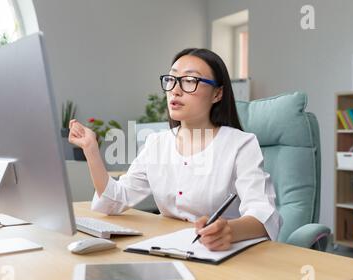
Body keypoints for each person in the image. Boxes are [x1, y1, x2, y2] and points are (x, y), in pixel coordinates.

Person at [69, 48, 282, 251]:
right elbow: (113, 201)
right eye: (171, 80)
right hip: (170, 248)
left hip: (223, 256)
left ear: (217, 94)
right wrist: (91, 149)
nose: (175, 90)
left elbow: (264, 215)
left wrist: (229, 230)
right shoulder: (156, 143)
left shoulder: (240, 144)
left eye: (190, 80)